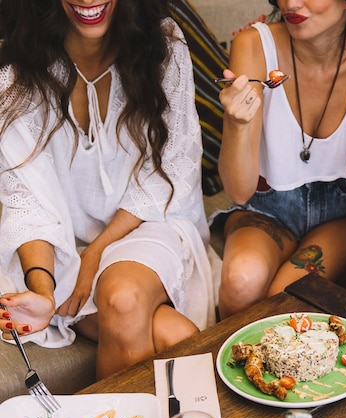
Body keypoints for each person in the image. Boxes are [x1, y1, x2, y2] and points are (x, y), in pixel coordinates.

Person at [0, 0, 220, 380]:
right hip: (63, 250)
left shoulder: (163, 45)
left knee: (122, 296)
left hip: (152, 221)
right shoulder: (17, 72)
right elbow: (27, 200)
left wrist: (96, 255)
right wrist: (44, 291)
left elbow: (172, 169)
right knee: (176, 336)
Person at [214, 0, 346, 318]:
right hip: (265, 207)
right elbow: (237, 192)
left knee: (286, 300)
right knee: (240, 282)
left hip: (343, 213)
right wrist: (236, 123)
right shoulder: (254, 45)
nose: (291, 3)